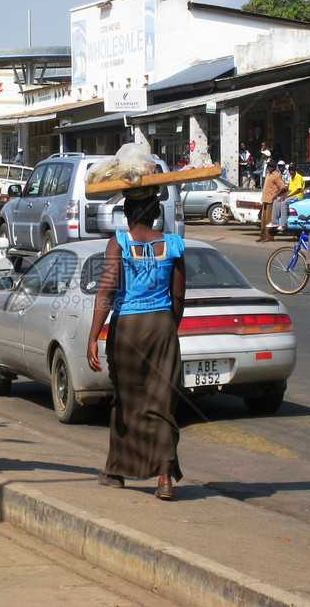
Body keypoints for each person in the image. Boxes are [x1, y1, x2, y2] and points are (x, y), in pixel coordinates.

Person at [87, 186, 186, 501]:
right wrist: (170, 326)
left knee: (125, 399)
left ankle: (115, 471)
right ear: (156, 213)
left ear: (127, 214)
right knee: (162, 401)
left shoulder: (118, 243)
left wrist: (93, 336)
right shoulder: (172, 245)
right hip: (162, 325)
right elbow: (179, 296)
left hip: (127, 327)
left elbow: (105, 293)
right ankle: (164, 478)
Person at [267, 162, 305, 232]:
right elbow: (290, 190)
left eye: (292, 170)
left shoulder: (298, 177)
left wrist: (287, 197)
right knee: (277, 201)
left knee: (284, 202)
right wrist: (284, 195)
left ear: (295, 170)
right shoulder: (291, 178)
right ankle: (274, 222)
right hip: (291, 195)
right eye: (290, 170)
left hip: (297, 196)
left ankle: (283, 224)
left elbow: (298, 190)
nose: (291, 172)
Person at [257, 162, 283, 242]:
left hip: (271, 200)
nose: (269, 167)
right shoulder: (269, 174)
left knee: (269, 220)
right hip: (265, 199)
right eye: (268, 166)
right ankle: (262, 235)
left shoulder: (276, 175)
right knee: (263, 219)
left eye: (271, 166)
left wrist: (275, 196)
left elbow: (282, 187)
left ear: (274, 167)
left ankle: (269, 237)